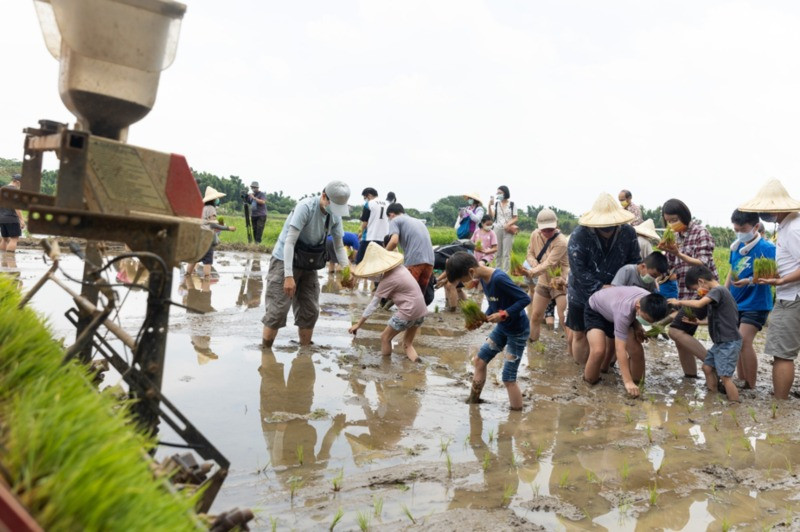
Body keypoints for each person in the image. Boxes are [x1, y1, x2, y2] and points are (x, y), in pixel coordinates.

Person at [261, 181, 351, 347]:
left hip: (308, 261)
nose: (336, 211)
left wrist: (347, 271)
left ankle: (305, 351)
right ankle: (265, 351)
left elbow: (339, 245)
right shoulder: (306, 207)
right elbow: (289, 242)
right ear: (324, 196)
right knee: (278, 309)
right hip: (285, 259)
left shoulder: (335, 215)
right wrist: (288, 276)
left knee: (310, 310)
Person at [739, 179, 800, 399]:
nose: (763, 213)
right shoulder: (787, 226)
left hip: (793, 297)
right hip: (790, 294)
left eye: (766, 208)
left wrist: (782, 281)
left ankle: (780, 404)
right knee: (783, 353)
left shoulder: (793, 228)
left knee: (782, 354)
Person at [446, 251, 531, 410]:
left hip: (517, 330)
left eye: (462, 280)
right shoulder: (484, 279)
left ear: (471, 272)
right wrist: (482, 318)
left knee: (508, 378)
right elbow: (494, 304)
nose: (463, 284)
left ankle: (515, 417)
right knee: (479, 360)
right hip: (503, 328)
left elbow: (525, 298)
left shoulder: (498, 279)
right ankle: (473, 402)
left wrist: (504, 314)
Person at [567, 193, 640, 365]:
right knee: (580, 332)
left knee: (612, 333)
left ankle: (604, 367)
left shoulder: (628, 233)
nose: (607, 229)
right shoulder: (580, 235)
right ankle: (582, 369)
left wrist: (622, 289)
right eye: (603, 226)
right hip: (582, 291)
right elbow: (578, 269)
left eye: (611, 225)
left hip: (615, 292)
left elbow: (634, 263)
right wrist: (600, 287)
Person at [658, 198, 717, 378]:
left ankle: (714, 365)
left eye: (674, 219)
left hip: (703, 293)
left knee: (676, 331)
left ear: (684, 216)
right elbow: (668, 265)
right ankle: (690, 377)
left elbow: (703, 264)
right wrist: (662, 260)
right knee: (681, 337)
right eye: (668, 221)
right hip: (685, 293)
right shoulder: (674, 237)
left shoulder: (700, 233)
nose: (671, 224)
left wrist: (678, 253)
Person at [668, 266, 743, 402]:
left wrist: (678, 302)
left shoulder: (718, 290)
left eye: (696, 288)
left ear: (701, 282)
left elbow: (698, 304)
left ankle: (735, 405)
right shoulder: (718, 294)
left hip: (729, 342)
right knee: (707, 367)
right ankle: (712, 397)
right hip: (720, 342)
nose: (698, 292)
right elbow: (717, 319)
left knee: (726, 377)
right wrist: (698, 322)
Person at [348, 243, 427, 362]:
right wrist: (358, 275)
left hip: (408, 311)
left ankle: (385, 368)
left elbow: (372, 305)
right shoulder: (400, 268)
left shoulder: (387, 281)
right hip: (421, 310)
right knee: (407, 344)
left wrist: (358, 324)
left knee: (385, 338)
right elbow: (379, 277)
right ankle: (418, 368)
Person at [724, 209, 776, 389]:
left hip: (757, 303)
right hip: (735, 302)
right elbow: (732, 271)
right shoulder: (736, 247)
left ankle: (751, 385)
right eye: (736, 229)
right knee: (737, 342)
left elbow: (773, 275)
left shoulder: (768, 249)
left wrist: (750, 280)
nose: (739, 232)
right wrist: (724, 293)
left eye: (743, 228)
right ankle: (742, 379)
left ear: (755, 227)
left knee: (744, 340)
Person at [584, 286, 669, 396]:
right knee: (598, 351)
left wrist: (637, 326)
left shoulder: (649, 299)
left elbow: (634, 312)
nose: (647, 323)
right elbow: (620, 350)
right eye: (646, 320)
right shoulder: (624, 313)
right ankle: (588, 385)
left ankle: (638, 386)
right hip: (596, 311)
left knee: (636, 350)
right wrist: (627, 382)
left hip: (615, 309)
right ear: (638, 307)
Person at [524, 208, 569, 343]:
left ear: (556, 225)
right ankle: (532, 345)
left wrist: (531, 272)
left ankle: (571, 347)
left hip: (560, 281)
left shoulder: (561, 241)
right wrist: (534, 265)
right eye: (544, 230)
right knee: (536, 315)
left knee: (563, 318)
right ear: (538, 227)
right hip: (543, 280)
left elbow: (550, 263)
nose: (547, 232)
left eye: (551, 229)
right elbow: (530, 253)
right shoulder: (534, 235)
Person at [186, 187, 236, 279]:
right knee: (208, 261)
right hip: (207, 237)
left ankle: (187, 278)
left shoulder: (203, 208)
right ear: (213, 199)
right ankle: (206, 281)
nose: (218, 200)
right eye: (217, 198)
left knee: (195, 258)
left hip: (199, 235)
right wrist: (228, 228)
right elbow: (213, 225)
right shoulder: (211, 208)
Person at [385, 203, 434, 296]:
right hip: (430, 261)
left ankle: (384, 308)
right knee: (419, 296)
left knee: (406, 293)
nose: (389, 220)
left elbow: (394, 241)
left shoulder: (395, 220)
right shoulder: (418, 221)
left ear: (391, 214)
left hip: (415, 261)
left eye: (389, 218)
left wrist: (383, 254)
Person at [354, 188, 389, 264]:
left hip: (370, 236)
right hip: (383, 238)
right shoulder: (387, 204)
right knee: (377, 262)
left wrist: (361, 232)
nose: (365, 200)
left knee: (360, 260)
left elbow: (365, 222)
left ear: (369, 195)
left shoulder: (369, 203)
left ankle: (358, 275)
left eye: (365, 198)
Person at [488, 186, 518, 272]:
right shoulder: (497, 204)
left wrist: (508, 224)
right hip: (497, 229)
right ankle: (497, 271)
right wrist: (489, 205)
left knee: (506, 253)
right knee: (497, 252)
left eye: (500, 193)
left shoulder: (512, 204)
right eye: (497, 193)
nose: (498, 194)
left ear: (505, 193)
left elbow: (515, 218)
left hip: (508, 230)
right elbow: (492, 216)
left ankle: (505, 273)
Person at [0, 174, 25, 253]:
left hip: (1, 218)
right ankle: (10, 259)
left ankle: (2, 259)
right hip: (11, 218)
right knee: (14, 239)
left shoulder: (2, 189)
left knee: (4, 238)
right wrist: (21, 219)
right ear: (17, 182)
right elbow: (17, 207)